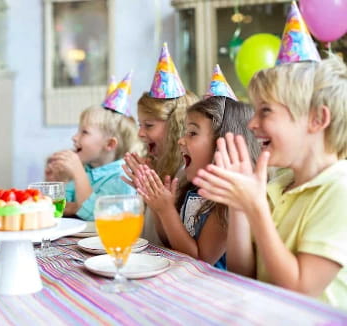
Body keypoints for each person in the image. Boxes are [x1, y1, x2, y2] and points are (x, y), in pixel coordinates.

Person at [193, 54, 347, 308]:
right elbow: (243, 275)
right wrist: (240, 206)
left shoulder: (339, 188)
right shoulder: (276, 186)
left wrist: (256, 208)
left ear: (317, 119)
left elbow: (300, 290)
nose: (252, 123)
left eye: (265, 111)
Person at [136, 92, 260, 269]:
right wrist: (158, 205)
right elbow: (170, 243)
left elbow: (199, 259)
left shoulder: (224, 202)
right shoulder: (190, 188)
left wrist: (166, 211)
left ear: (220, 144)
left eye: (192, 133)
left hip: (213, 288)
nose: (181, 140)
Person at [121, 43, 199, 245]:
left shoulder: (185, 173)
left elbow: (175, 247)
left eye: (148, 125)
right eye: (140, 124)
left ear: (175, 126)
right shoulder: (159, 165)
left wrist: (158, 201)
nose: (140, 133)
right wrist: (148, 190)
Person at [50, 72, 144, 221]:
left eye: (84, 132)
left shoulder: (122, 177)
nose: (74, 138)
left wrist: (77, 172)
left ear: (110, 144)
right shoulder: (87, 169)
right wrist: (59, 179)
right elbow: (60, 209)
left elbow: (97, 217)